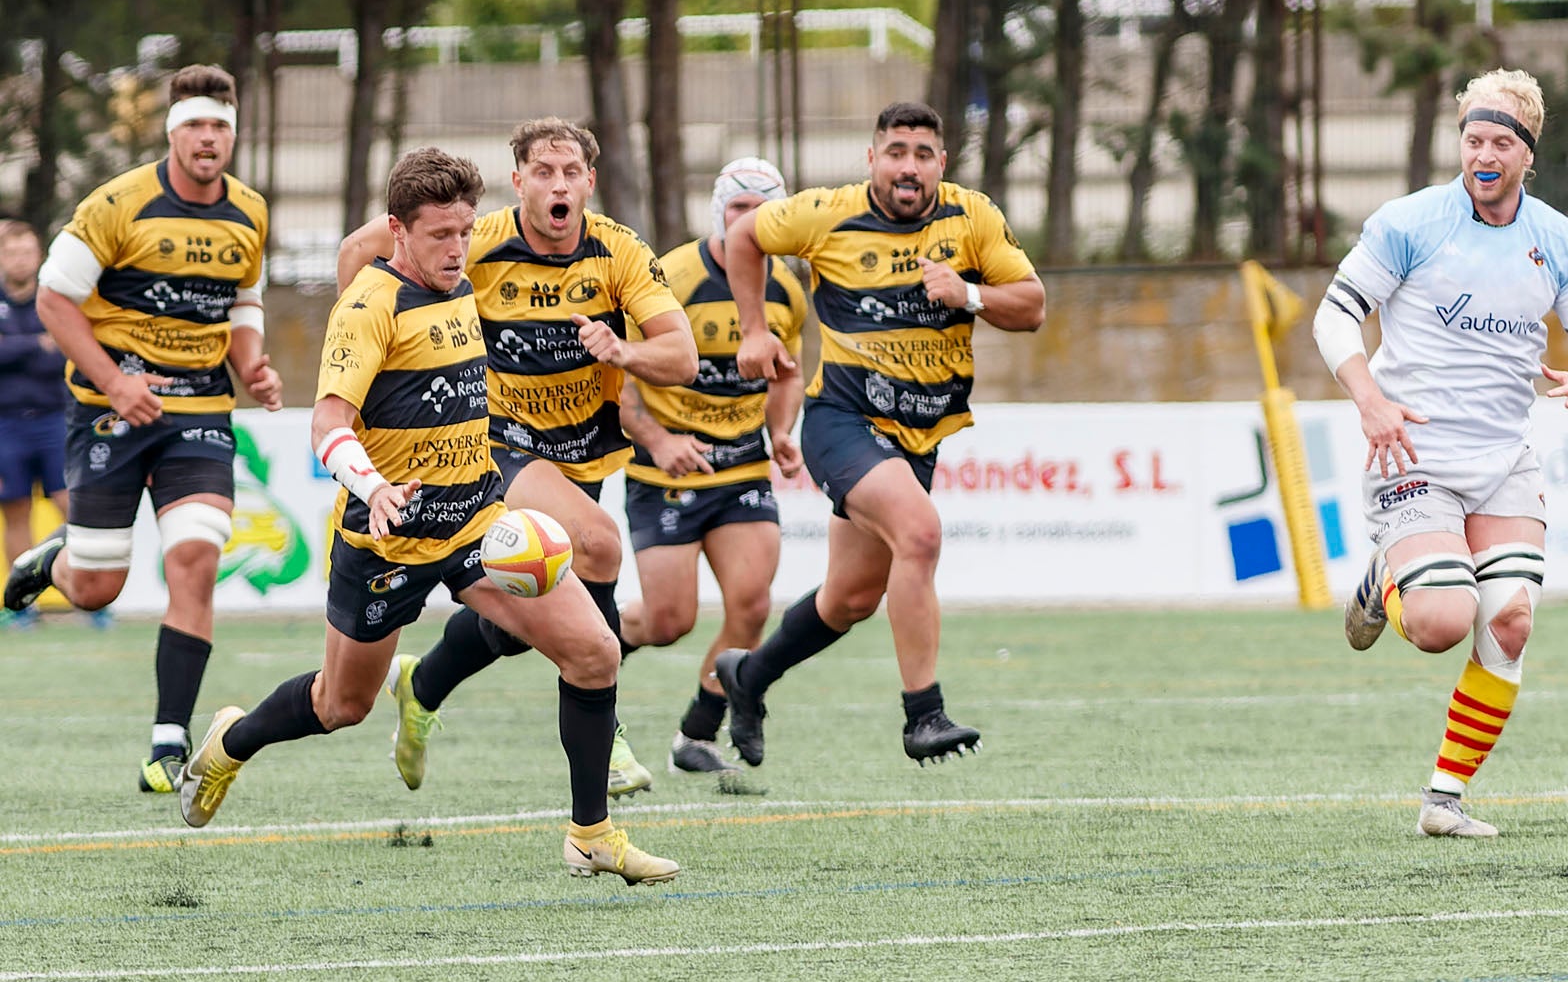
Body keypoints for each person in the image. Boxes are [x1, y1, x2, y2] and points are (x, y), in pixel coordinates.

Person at [179, 147, 678, 884]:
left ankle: (591, 833)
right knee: (340, 702)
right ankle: (233, 739)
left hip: (476, 517)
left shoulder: (468, 276)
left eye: (465, 231)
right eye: (439, 235)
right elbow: (328, 424)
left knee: (596, 652)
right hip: (387, 540)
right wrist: (372, 484)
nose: (456, 248)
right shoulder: (369, 305)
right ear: (397, 232)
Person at [335, 118, 695, 799]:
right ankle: (609, 734)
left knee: (528, 607)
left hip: (580, 452)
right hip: (496, 443)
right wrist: (363, 356)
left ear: (589, 181)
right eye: (543, 171)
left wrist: (625, 352)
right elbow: (361, 248)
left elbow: (681, 355)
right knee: (598, 544)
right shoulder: (480, 239)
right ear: (519, 181)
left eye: (570, 172)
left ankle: (425, 682)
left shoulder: (618, 251)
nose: (558, 184)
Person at [1312, 67, 1568, 838]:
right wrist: (1370, 399)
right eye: (1472, 138)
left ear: (1527, 152)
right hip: (1412, 453)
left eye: (1499, 142)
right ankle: (1385, 576)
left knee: (1511, 621)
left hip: (1501, 459)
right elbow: (1333, 318)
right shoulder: (1409, 222)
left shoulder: (1559, 240)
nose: (1482, 153)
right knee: (1442, 622)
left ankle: (1441, 800)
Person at [711, 101, 1045, 767]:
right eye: (895, 151)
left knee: (851, 597)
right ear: (872, 160)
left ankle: (748, 677)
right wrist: (754, 328)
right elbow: (745, 236)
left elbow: (1032, 304)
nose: (909, 167)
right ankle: (924, 714)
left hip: (919, 432)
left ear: (941, 165)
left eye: (923, 154)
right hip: (842, 419)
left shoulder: (970, 218)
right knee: (920, 531)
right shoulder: (825, 213)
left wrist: (970, 295)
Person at [4, 64, 282, 794]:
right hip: (107, 408)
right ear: (172, 131)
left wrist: (252, 364)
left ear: (232, 133)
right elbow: (56, 302)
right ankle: (56, 561)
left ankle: (168, 738)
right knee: (96, 587)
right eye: (195, 124)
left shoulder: (249, 211)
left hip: (198, 409)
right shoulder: (117, 204)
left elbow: (244, 300)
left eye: (220, 125)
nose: (208, 138)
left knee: (196, 555)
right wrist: (117, 381)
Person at [615, 158, 807, 776]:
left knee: (751, 604)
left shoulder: (788, 289)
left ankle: (696, 736)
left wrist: (780, 432)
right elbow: (615, 381)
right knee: (668, 620)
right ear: (717, 214)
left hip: (741, 468)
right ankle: (584, 653)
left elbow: (787, 369)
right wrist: (657, 437)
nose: (750, 225)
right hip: (665, 469)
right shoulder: (669, 277)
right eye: (738, 211)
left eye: (764, 213)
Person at [0, 222, 70, 567]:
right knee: (15, 510)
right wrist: (34, 344)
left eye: (26, 252)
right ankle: (23, 605)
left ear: (39, 256)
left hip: (54, 419)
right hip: (6, 424)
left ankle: (91, 600)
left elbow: (64, 353)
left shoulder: (54, 298)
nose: (19, 260)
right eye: (11, 253)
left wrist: (12, 348)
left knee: (71, 505)